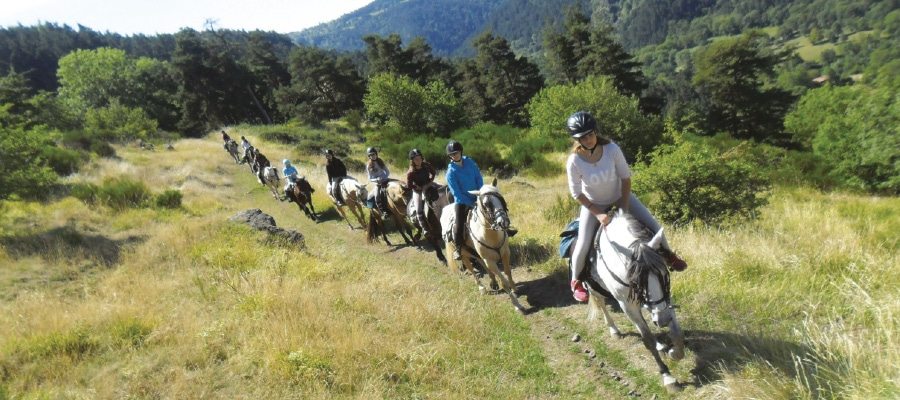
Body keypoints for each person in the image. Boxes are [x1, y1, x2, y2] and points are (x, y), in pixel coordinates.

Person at [565, 111, 687, 303]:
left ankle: (669, 255)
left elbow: (625, 178)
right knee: (583, 242)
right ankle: (575, 281)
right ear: (577, 139)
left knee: (655, 227)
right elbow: (576, 193)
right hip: (593, 204)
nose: (588, 140)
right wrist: (598, 214)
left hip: (621, 195)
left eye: (590, 134)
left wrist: (622, 207)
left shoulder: (612, 149)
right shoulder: (574, 161)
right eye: (582, 137)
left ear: (595, 132)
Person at [445, 140, 483, 260]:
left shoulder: (470, 162)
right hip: (462, 201)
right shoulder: (450, 172)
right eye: (452, 154)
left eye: (456, 153)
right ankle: (458, 247)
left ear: (461, 152)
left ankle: (505, 230)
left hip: (478, 195)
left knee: (495, 206)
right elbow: (456, 192)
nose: (454, 155)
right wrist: (471, 202)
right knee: (459, 223)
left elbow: (478, 177)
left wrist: (480, 192)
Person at [406, 148, 437, 234]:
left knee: (443, 190)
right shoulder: (410, 172)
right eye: (416, 159)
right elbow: (409, 185)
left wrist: (430, 181)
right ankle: (424, 228)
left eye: (419, 158)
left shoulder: (426, 165)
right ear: (412, 160)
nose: (418, 160)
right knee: (418, 208)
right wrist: (417, 187)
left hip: (429, 185)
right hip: (418, 191)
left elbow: (433, 173)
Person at [366, 147, 390, 212]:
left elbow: (387, 172)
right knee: (377, 196)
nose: (373, 156)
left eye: (373, 154)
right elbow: (370, 178)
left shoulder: (380, 161)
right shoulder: (369, 165)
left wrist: (384, 177)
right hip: (377, 183)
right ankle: (382, 211)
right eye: (371, 155)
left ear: (376, 154)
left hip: (385, 179)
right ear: (369, 156)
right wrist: (376, 180)